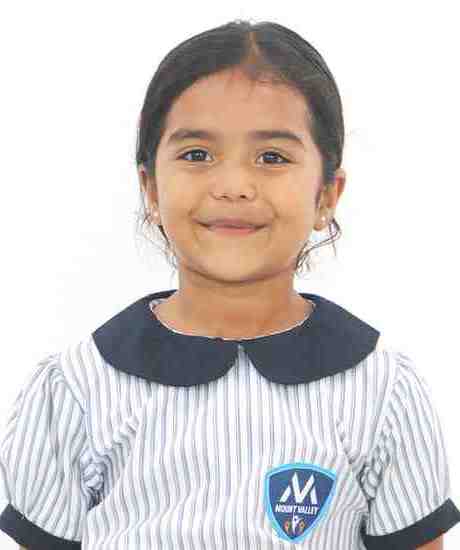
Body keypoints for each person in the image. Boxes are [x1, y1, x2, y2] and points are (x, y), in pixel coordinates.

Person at [1, 18, 459, 550]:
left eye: (272, 157)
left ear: (326, 195)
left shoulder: (383, 390)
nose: (234, 186)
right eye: (197, 154)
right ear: (151, 188)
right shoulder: (74, 390)